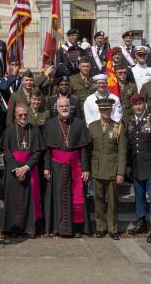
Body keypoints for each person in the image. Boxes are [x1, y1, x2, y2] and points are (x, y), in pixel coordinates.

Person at [43, 97, 92, 237]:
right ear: (56, 108)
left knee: (76, 198)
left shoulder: (79, 124)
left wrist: (86, 168)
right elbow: (47, 149)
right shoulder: (50, 124)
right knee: (57, 198)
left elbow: (83, 149)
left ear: (70, 107)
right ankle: (57, 229)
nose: (64, 108)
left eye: (66, 106)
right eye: (61, 106)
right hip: (56, 166)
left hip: (75, 166)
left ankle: (77, 228)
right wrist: (46, 167)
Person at [125, 94, 151, 242]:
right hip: (137, 166)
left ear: (145, 105)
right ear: (132, 106)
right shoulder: (130, 122)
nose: (138, 107)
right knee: (139, 196)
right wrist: (129, 165)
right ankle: (141, 221)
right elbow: (130, 146)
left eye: (140, 104)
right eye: (135, 104)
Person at [0, 104, 46, 237]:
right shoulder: (9, 130)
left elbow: (37, 152)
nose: (23, 117)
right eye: (20, 115)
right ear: (15, 115)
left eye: (25, 114)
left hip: (30, 169)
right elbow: (6, 151)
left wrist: (26, 167)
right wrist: (16, 168)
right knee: (13, 199)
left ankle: (29, 228)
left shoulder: (35, 130)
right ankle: (13, 228)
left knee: (30, 200)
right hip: (13, 170)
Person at [89, 98, 127, 240]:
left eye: (108, 109)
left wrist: (120, 172)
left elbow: (122, 151)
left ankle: (113, 228)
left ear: (111, 110)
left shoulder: (118, 127)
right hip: (97, 168)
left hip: (112, 168)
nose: (105, 111)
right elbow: (89, 150)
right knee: (98, 200)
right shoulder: (92, 126)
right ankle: (100, 227)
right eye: (103, 109)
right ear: (99, 110)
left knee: (112, 201)